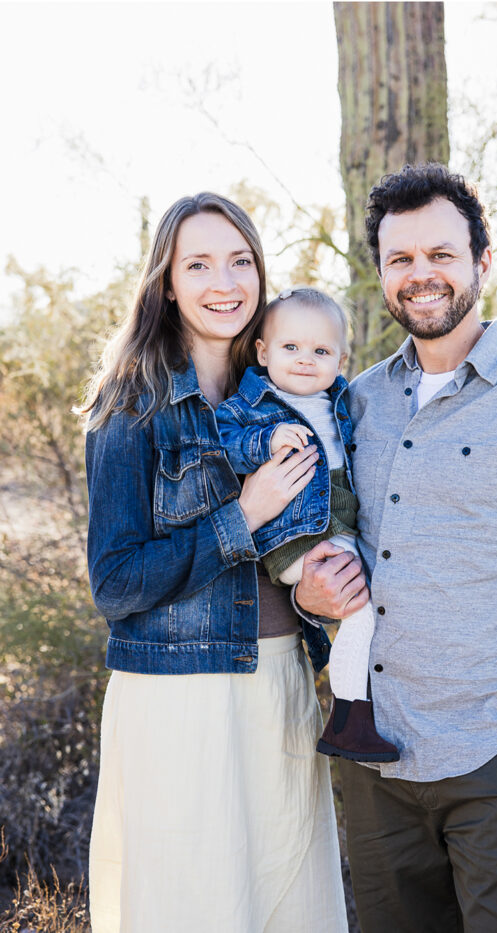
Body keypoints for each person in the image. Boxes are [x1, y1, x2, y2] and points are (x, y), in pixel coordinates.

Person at [295, 162, 497, 932]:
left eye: (441, 254)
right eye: (401, 259)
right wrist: (311, 597)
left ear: (481, 260)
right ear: (381, 273)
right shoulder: (358, 400)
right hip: (375, 766)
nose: (421, 275)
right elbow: (325, 534)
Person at [80, 193, 348, 932]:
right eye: (197, 263)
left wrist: (316, 599)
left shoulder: (292, 390)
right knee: (193, 907)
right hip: (177, 701)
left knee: (289, 902)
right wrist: (246, 513)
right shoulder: (130, 404)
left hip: (280, 686)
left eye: (240, 261)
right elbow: (116, 582)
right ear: (167, 281)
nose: (223, 281)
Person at [216, 287, 397, 762]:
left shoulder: (343, 399)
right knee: (362, 610)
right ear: (263, 352)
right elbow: (221, 439)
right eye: (290, 348)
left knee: (381, 600)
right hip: (295, 535)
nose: (304, 360)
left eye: (320, 351)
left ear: (340, 359)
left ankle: (360, 709)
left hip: (338, 522)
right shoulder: (253, 403)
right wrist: (267, 439)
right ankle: (349, 719)